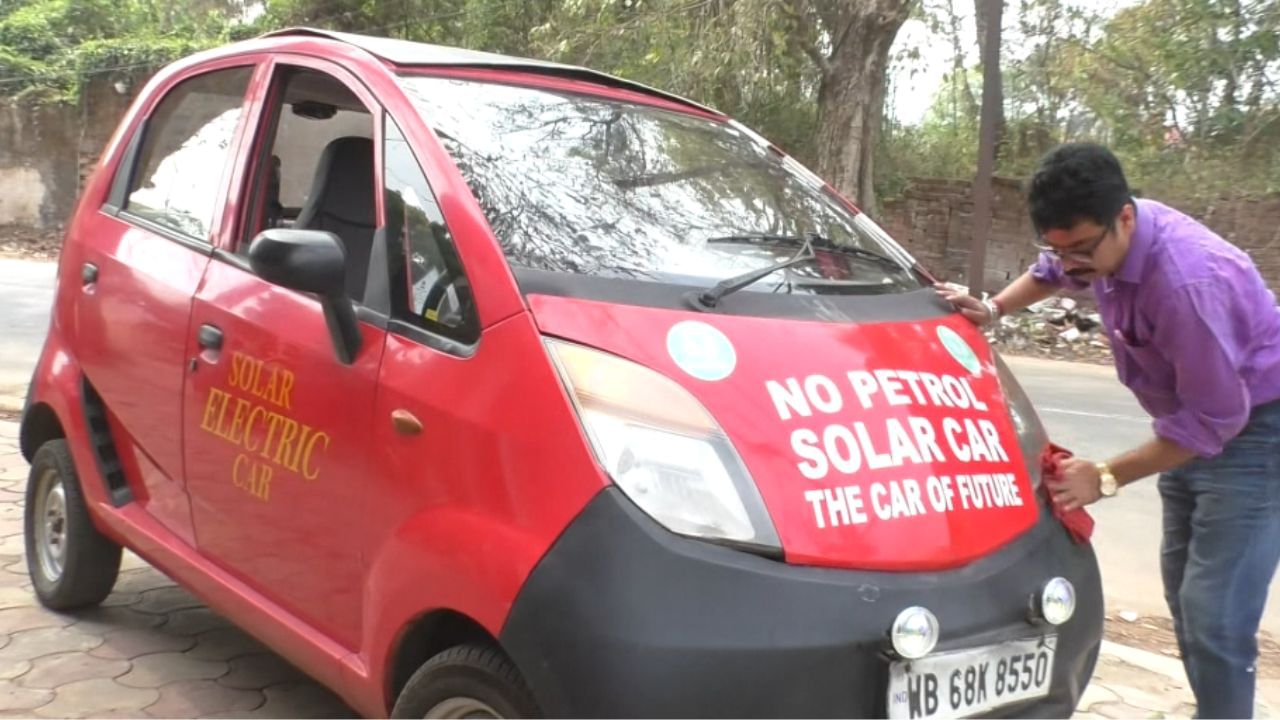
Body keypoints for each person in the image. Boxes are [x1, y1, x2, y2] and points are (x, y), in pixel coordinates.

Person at [938, 142, 1280, 718]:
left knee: (1215, 613)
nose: (1069, 264)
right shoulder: (1098, 246)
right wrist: (992, 310)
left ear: (1126, 216)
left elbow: (1216, 419)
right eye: (1057, 247)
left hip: (1256, 432)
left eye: (1082, 249)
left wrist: (1103, 475)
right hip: (1191, 426)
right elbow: (1050, 273)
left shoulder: (1186, 285)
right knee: (1185, 597)